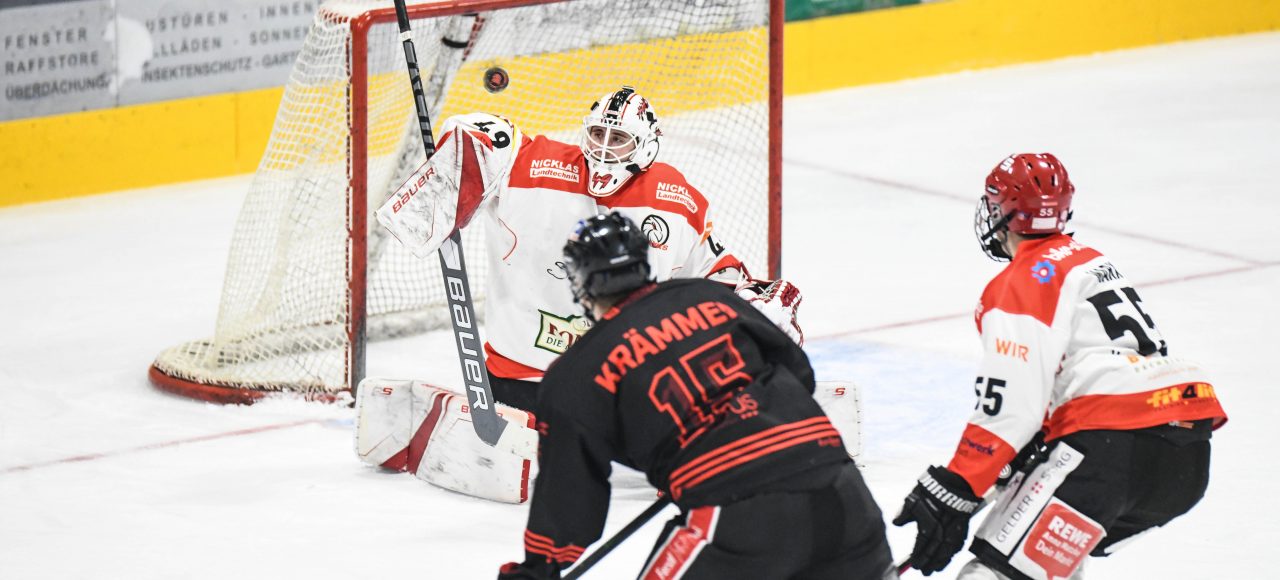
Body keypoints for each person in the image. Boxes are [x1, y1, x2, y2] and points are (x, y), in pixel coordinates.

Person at [495, 212, 893, 580]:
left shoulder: (578, 369)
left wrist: (539, 567)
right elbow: (798, 371)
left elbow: (569, 489)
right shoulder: (709, 296)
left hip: (740, 519)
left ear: (581, 283)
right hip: (846, 498)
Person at [892, 153, 1228, 579]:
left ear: (1001, 213)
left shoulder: (1021, 281)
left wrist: (957, 486)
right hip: (1184, 457)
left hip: (1110, 450)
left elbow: (1012, 404)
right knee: (1044, 568)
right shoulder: (1090, 261)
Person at [375, 86, 801, 412]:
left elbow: (718, 276)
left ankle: (726, 429)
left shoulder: (675, 199)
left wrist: (756, 307)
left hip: (621, 393)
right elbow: (494, 139)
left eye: (619, 138)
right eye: (598, 133)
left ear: (646, 146)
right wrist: (470, 143)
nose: (603, 147)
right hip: (519, 383)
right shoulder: (535, 167)